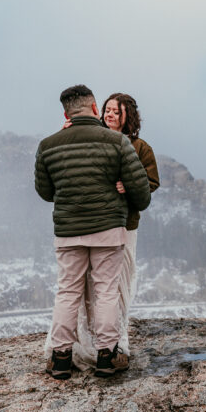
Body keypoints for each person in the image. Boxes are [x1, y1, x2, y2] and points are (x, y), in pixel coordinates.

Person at [34, 85, 151, 379]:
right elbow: (142, 194)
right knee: (106, 291)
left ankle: (60, 358)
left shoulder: (48, 145)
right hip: (108, 230)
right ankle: (107, 356)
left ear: (66, 113)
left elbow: (45, 192)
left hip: (68, 230)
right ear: (95, 109)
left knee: (67, 292)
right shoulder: (116, 142)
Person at [61, 93, 160, 370]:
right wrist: (68, 132)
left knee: (119, 285)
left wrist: (128, 186)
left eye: (117, 111)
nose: (110, 114)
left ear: (129, 115)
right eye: (107, 109)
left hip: (125, 225)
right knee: (92, 287)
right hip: (96, 223)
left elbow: (150, 182)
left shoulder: (141, 148)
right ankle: (94, 344)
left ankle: (119, 343)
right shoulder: (95, 141)